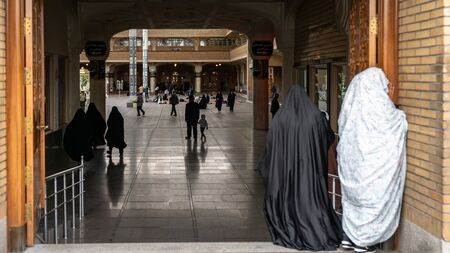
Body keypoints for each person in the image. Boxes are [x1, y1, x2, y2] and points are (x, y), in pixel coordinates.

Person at [256, 85, 342, 251]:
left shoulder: (280, 118)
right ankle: (314, 229)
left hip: (286, 172)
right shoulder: (316, 117)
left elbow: (271, 145)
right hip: (309, 171)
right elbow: (328, 137)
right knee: (309, 198)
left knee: (288, 198)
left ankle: (290, 228)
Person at [337, 67, 407, 253]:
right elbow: (392, 123)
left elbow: (342, 126)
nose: (386, 88)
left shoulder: (352, 104)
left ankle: (348, 238)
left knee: (353, 201)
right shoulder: (378, 104)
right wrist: (400, 115)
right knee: (370, 200)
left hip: (351, 165)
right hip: (370, 166)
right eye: (384, 84)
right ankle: (363, 241)